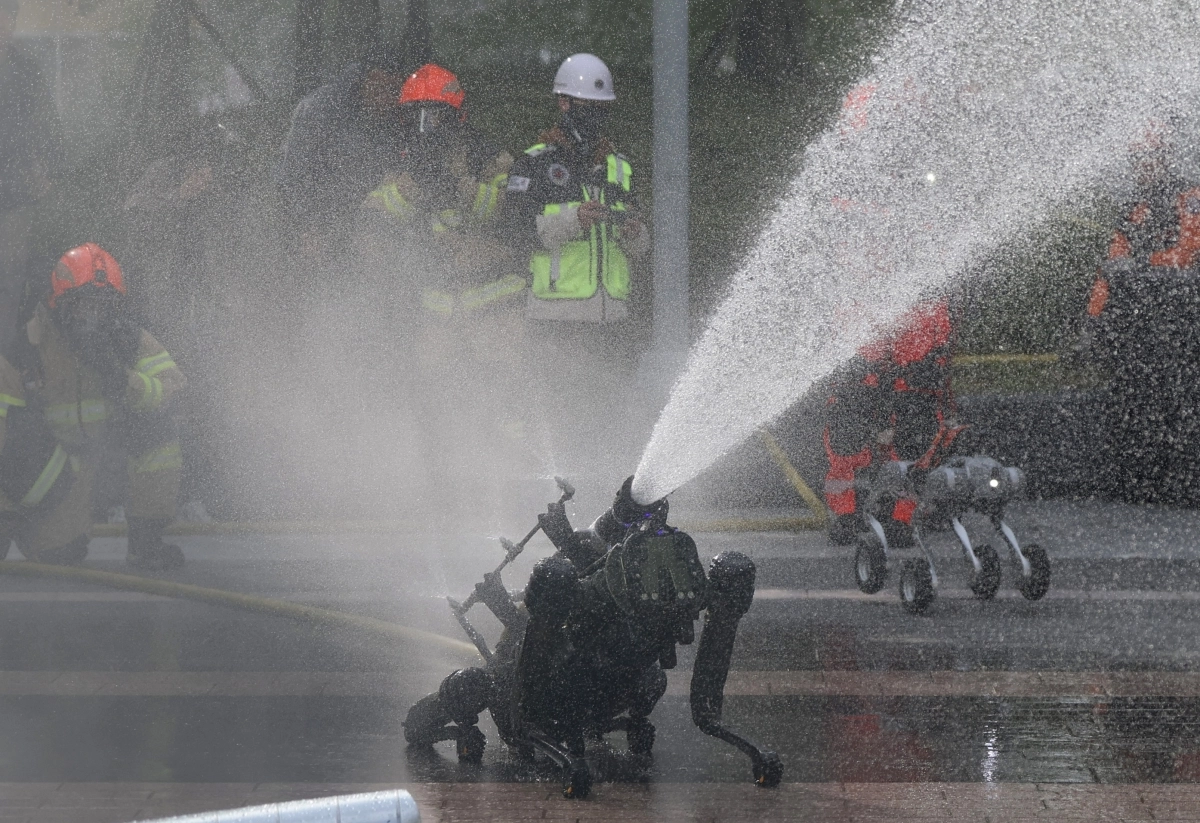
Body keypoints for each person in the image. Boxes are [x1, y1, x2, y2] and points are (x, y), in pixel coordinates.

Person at [501, 54, 650, 482]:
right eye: (587, 107)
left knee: (608, 422)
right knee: (559, 420)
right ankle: (553, 498)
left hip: (612, 322)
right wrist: (572, 221)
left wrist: (634, 232)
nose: (595, 118)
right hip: (557, 322)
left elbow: (641, 247)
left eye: (602, 109)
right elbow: (513, 231)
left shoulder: (619, 167)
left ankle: (602, 497)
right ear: (563, 104)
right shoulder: (535, 163)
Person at [0, 244, 186, 569]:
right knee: (61, 555)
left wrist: (121, 378)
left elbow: (172, 392)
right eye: (82, 304)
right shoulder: (30, 346)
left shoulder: (128, 340)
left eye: (102, 305)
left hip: (113, 458)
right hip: (60, 467)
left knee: (158, 437)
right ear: (58, 301)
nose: (92, 316)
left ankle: (146, 543)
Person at [1078, 123, 1200, 501]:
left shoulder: (1189, 199)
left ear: (1164, 158)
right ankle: (1137, 482)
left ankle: (1184, 482)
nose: (1142, 167)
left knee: (1182, 402)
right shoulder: (1134, 210)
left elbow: (1188, 252)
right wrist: (1092, 320)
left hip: (1182, 324)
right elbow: (1109, 268)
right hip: (1138, 328)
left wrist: (1143, 269)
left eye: (1148, 158)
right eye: (1137, 160)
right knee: (1132, 401)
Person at [823, 299, 964, 545]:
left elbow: (934, 356)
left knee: (910, 446)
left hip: (909, 382)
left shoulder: (929, 304)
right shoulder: (853, 298)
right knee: (848, 443)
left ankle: (899, 518)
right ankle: (849, 516)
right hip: (866, 379)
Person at [273, 44, 410, 246]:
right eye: (378, 88)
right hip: (310, 208)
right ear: (363, 81)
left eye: (393, 90)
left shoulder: (399, 116)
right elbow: (295, 173)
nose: (385, 98)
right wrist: (307, 226)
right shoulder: (321, 108)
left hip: (361, 217)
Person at [0, 0, 63, 355]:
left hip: (15, 195)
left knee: (10, 277)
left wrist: (47, 169)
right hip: (15, 188)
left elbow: (46, 125)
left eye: (8, 17)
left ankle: (4, 358)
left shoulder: (25, 70)